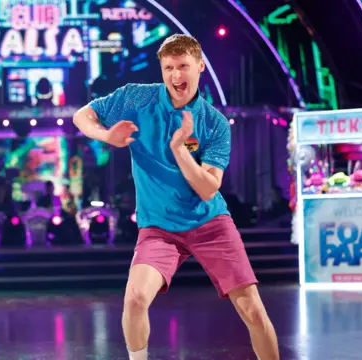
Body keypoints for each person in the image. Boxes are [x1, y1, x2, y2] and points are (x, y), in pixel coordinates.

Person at [73, 34, 279, 360]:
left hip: (210, 223)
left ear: (200, 66)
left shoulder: (214, 123)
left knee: (253, 310)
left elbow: (209, 188)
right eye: (169, 67)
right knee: (136, 299)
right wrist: (105, 135)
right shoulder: (136, 99)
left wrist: (180, 150)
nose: (176, 75)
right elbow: (82, 115)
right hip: (159, 227)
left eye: (183, 66)